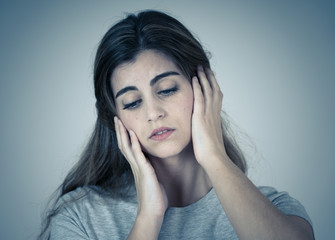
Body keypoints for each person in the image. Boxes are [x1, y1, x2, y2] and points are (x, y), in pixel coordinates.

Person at [39, 10, 314, 239]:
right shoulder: (79, 216)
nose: (153, 112)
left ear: (206, 87)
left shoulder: (275, 208)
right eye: (133, 102)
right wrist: (149, 215)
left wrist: (214, 157)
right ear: (115, 117)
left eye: (167, 89)